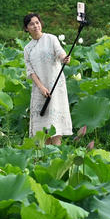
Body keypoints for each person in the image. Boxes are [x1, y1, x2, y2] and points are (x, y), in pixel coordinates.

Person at [23, 13, 73, 145]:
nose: (35, 26)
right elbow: (31, 72)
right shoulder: (27, 48)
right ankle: (44, 157)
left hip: (55, 86)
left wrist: (65, 58)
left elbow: (61, 53)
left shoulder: (51, 39)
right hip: (40, 89)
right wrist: (41, 88)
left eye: (37, 22)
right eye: (31, 24)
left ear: (41, 23)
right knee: (42, 127)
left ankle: (57, 154)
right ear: (26, 28)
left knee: (55, 124)